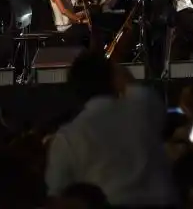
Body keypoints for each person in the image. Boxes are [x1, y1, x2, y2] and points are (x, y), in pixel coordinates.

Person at [45, 51, 177, 207]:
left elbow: (56, 194)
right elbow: (136, 89)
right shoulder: (143, 108)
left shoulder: (68, 137)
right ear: (113, 80)